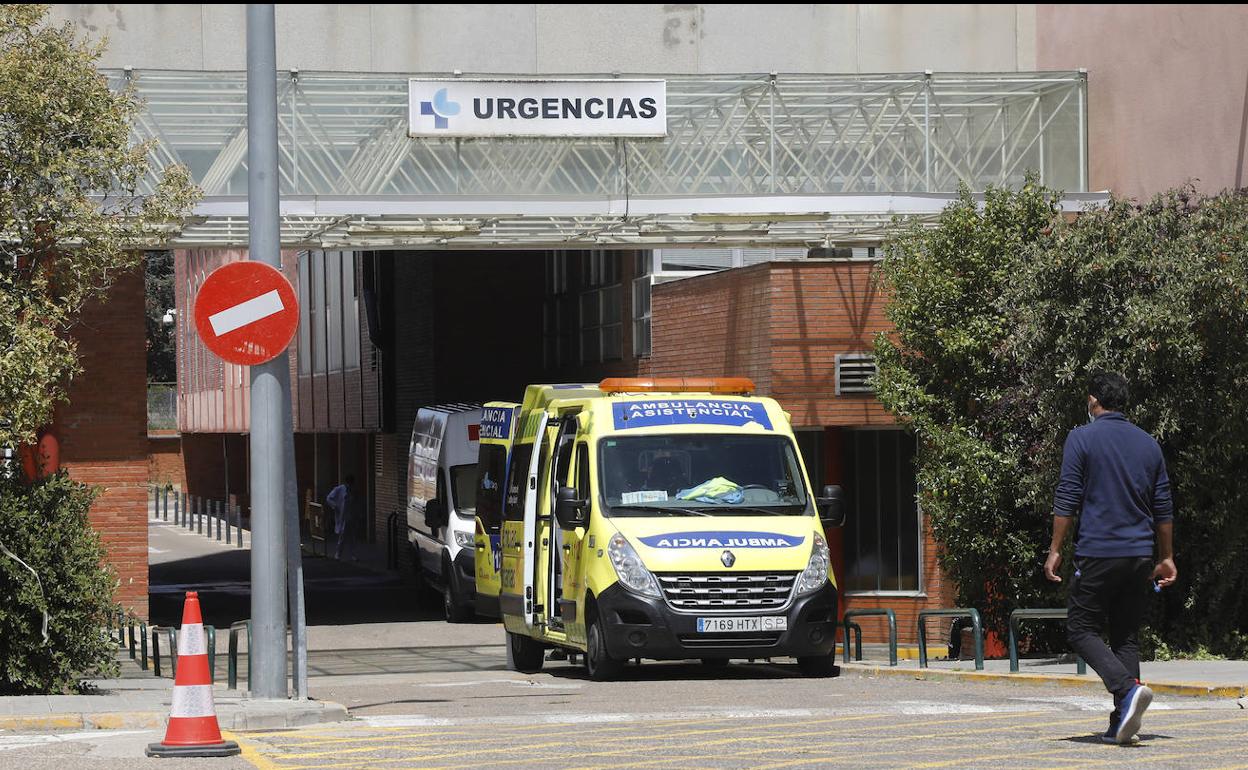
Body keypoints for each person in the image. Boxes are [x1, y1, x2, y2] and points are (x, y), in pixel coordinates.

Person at [1044, 372, 1177, 745]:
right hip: (1139, 555)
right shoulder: (1148, 444)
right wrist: (1167, 557)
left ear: (1093, 401)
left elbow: (1067, 497)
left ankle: (1127, 688)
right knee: (1125, 637)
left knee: (1080, 628)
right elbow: (1163, 507)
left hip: (1099, 551)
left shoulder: (1081, 438)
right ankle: (1122, 721)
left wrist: (1055, 549)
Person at [326, 474, 361, 561]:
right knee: (342, 536)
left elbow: (356, 503)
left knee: (353, 537)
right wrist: (335, 506)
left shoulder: (354, 491)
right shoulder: (339, 489)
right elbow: (329, 498)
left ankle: (353, 554)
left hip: (352, 516)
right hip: (344, 516)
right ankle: (338, 553)